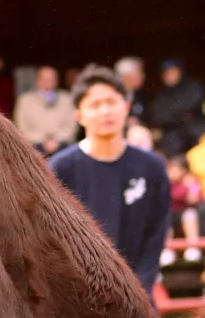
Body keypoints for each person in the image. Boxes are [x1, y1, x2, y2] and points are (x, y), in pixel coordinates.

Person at [49, 65, 170, 301]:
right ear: (79, 115)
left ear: (126, 107)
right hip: (80, 300)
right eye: (94, 105)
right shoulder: (59, 169)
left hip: (139, 297)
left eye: (111, 102)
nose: (105, 111)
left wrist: (139, 290)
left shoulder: (152, 167)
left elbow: (157, 233)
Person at [13, 65, 77, 157]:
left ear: (57, 80)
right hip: (33, 147)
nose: (48, 81)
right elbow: (22, 126)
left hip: (62, 146)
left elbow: (72, 125)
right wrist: (43, 140)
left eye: (51, 78)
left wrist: (56, 140)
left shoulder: (67, 99)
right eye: (45, 78)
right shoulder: (25, 100)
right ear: (37, 80)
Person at [149, 59, 205, 157]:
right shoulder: (162, 94)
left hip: (194, 128)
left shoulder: (193, 87)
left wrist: (173, 114)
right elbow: (157, 116)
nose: (170, 75)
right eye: (167, 73)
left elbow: (192, 105)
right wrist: (179, 115)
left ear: (180, 72)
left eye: (173, 71)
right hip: (172, 132)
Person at [159, 156, 203, 267]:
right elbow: (169, 196)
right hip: (171, 213)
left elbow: (194, 198)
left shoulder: (192, 182)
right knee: (165, 219)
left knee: (190, 215)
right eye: (170, 169)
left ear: (184, 170)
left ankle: (193, 247)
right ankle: (167, 250)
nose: (171, 172)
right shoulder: (166, 182)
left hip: (187, 213)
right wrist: (184, 189)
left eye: (175, 169)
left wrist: (189, 186)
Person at [114, 56, 148, 125]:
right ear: (126, 76)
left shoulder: (140, 96)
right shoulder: (113, 96)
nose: (143, 76)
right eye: (139, 72)